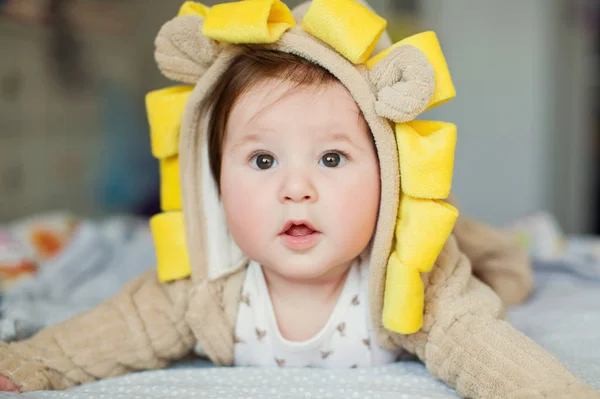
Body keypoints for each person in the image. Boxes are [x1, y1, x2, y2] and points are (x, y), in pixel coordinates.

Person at [0, 0, 597, 397]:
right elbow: (108, 332)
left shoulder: (412, 286)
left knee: (467, 243)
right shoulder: (201, 293)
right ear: (214, 183)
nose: (296, 188)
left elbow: (483, 347)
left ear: (388, 176)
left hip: (432, 242)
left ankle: (501, 250)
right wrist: (30, 365)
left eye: (331, 158)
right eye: (263, 161)